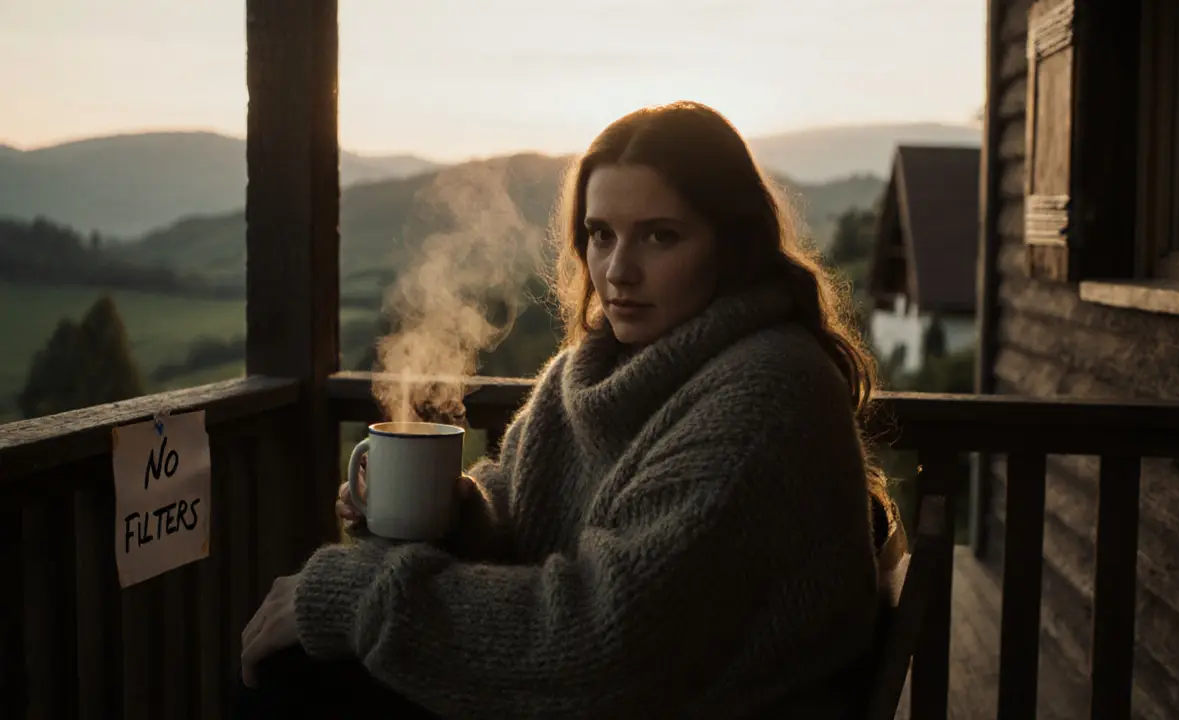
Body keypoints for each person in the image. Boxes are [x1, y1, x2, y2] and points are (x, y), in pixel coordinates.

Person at [237, 100, 903, 719]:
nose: (617, 270)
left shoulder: (767, 395)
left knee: (297, 678)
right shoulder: (589, 372)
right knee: (299, 668)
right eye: (600, 234)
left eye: (660, 236)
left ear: (735, 245)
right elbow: (520, 507)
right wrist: (456, 518)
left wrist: (359, 597)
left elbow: (599, 641)